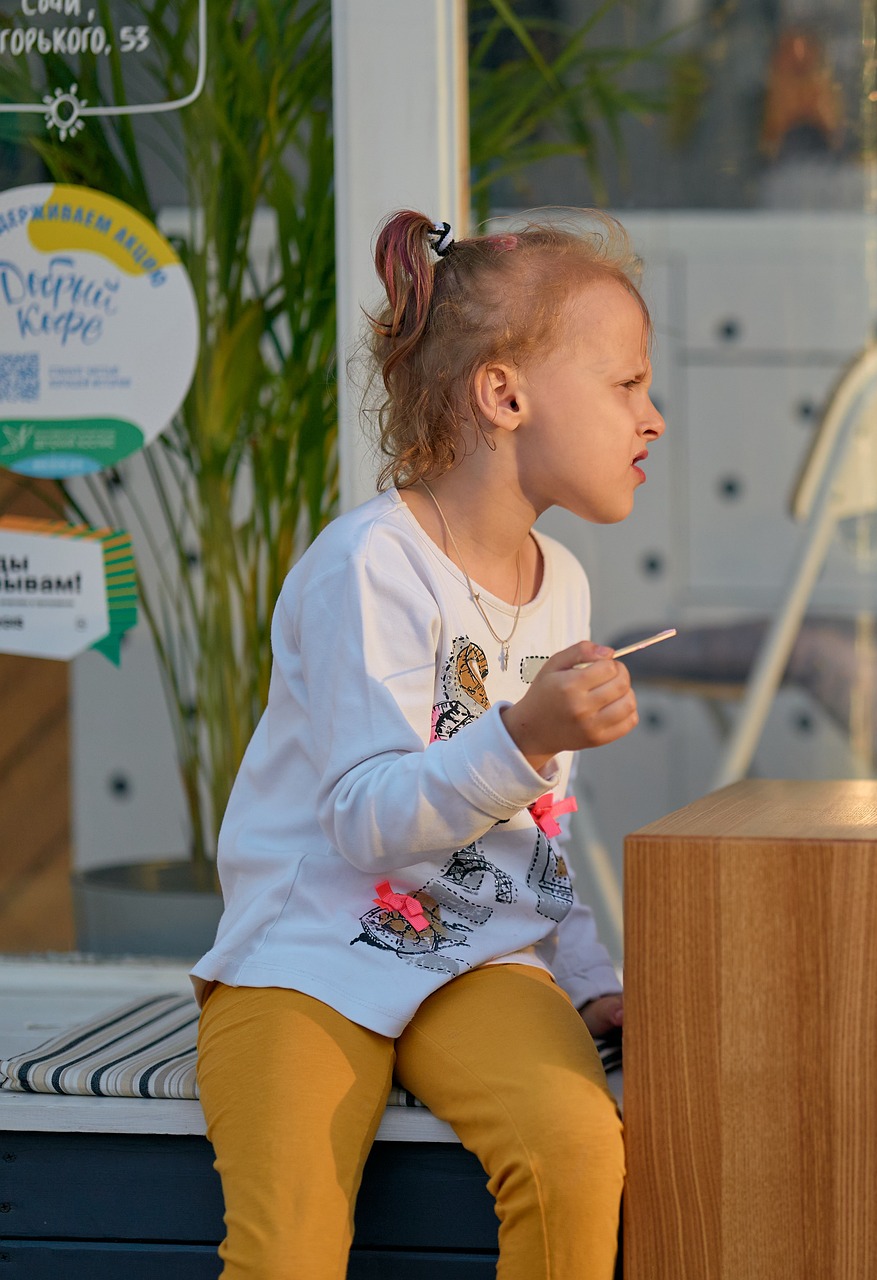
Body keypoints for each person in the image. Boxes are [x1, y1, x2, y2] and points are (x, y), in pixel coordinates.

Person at [190, 208, 662, 1278]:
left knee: (578, 1147)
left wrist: (587, 971)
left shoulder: (564, 582)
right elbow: (364, 818)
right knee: (290, 1243)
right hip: (305, 959)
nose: (655, 415)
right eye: (628, 383)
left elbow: (536, 825)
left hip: (477, 956)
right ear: (505, 394)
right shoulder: (366, 566)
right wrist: (525, 729)